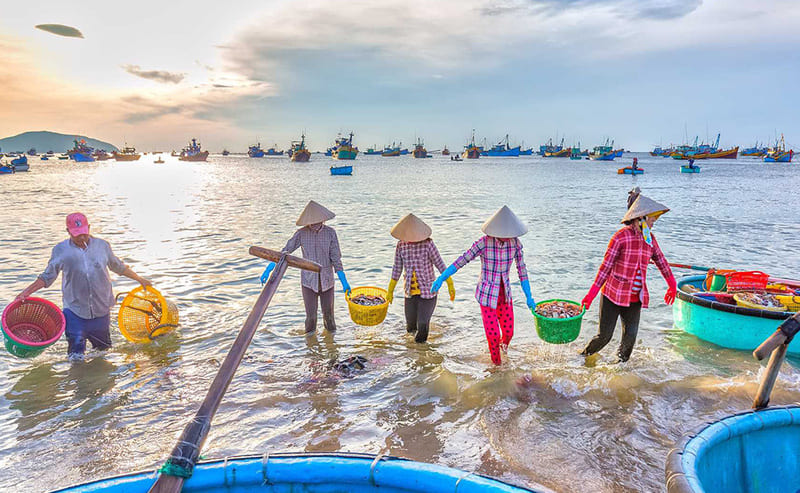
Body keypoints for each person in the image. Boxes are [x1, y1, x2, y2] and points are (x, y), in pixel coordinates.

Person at [15, 213, 151, 357]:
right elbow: (47, 277)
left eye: (84, 234)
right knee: (76, 356)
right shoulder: (61, 250)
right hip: (74, 311)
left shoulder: (102, 246)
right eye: (76, 234)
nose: (81, 238)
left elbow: (118, 266)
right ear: (68, 231)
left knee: (103, 353)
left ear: (89, 228)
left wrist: (139, 279)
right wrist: (26, 292)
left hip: (101, 310)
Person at [431, 206, 535, 365]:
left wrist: (529, 297)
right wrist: (442, 278)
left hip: (504, 296)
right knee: (493, 336)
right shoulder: (484, 243)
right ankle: (497, 368)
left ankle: (502, 354)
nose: (507, 236)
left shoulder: (515, 244)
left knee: (508, 333)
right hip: (487, 296)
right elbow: (462, 260)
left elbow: (522, 270)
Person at [579, 194, 677, 362]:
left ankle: (618, 374)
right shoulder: (620, 237)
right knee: (605, 337)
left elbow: (662, 262)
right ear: (641, 218)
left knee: (629, 340)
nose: (654, 223)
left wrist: (672, 285)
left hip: (635, 299)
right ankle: (582, 357)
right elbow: (605, 268)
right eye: (652, 219)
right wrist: (590, 295)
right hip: (613, 295)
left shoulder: (650, 240)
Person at [261, 200, 351, 334]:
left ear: (323, 220)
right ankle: (310, 349)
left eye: (317, 222)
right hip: (308, 281)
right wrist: (270, 268)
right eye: (312, 223)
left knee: (330, 319)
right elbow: (286, 251)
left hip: (327, 281)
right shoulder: (301, 233)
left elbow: (336, 259)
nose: (314, 225)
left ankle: (332, 347)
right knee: (311, 319)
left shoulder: (330, 233)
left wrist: (344, 282)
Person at [386, 213, 455, 343]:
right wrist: (390, 290)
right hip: (410, 293)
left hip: (428, 292)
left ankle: (423, 354)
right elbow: (397, 268)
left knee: (423, 325)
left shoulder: (428, 245)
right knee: (410, 328)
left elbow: (440, 264)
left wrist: (450, 284)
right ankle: (414, 355)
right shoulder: (401, 245)